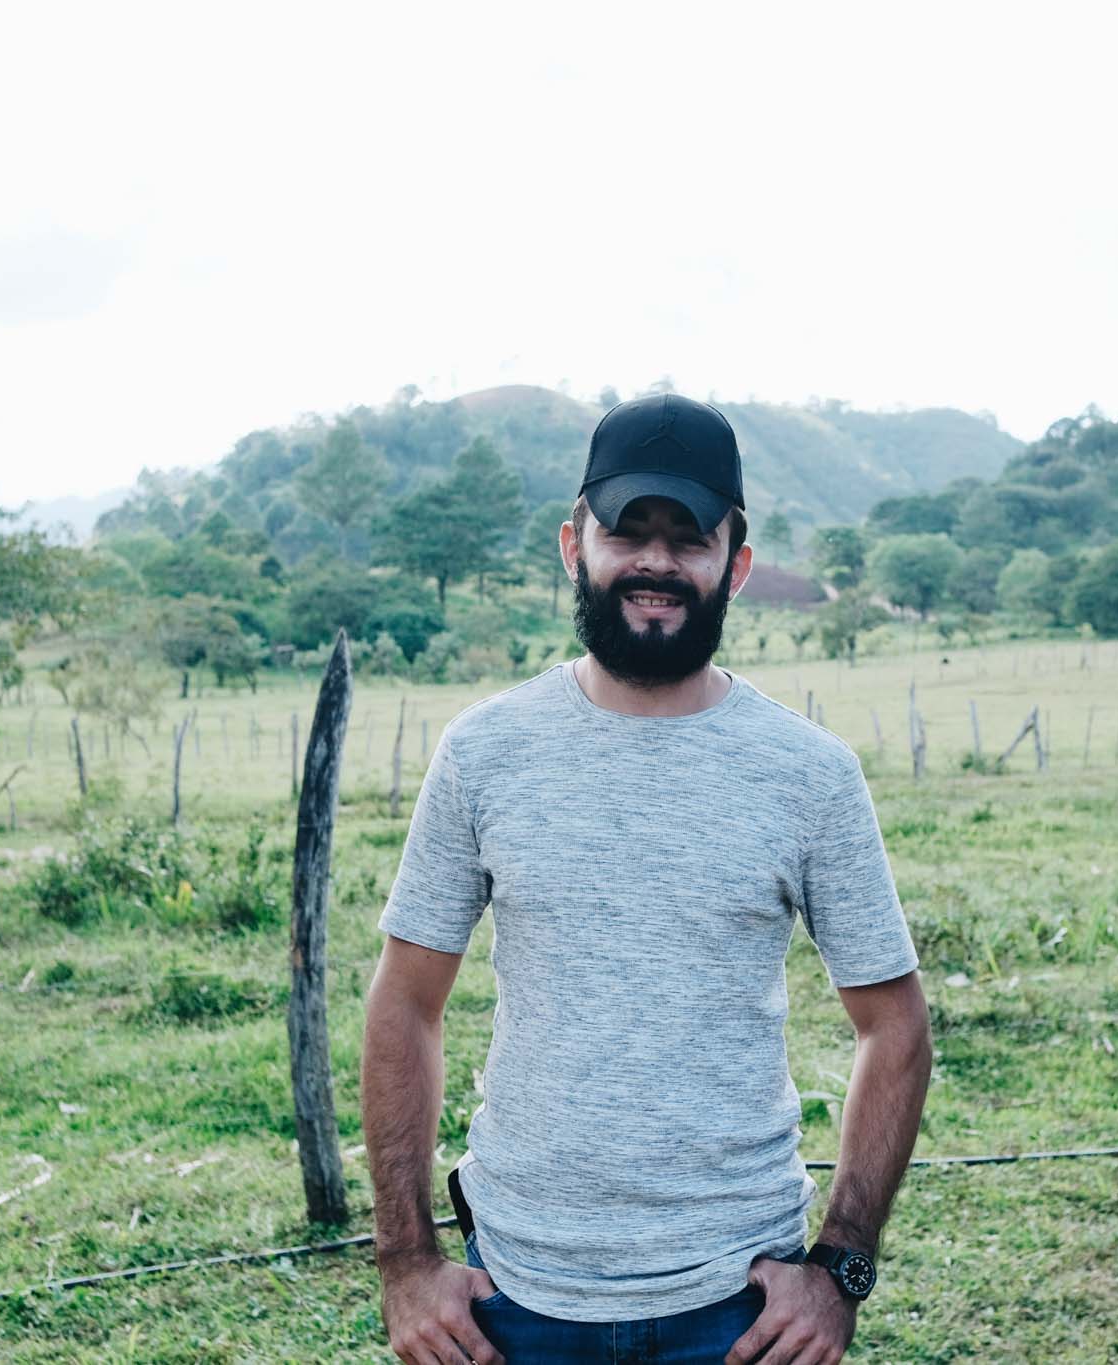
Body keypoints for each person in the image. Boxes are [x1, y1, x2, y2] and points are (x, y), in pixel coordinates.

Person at [362, 393, 931, 1365]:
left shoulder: (808, 773)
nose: (656, 561)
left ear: (735, 564)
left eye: (689, 537)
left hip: (738, 1305)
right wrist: (406, 1259)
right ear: (573, 545)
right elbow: (404, 1003)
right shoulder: (484, 751)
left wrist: (841, 1266)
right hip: (515, 1297)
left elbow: (896, 1026)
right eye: (628, 531)